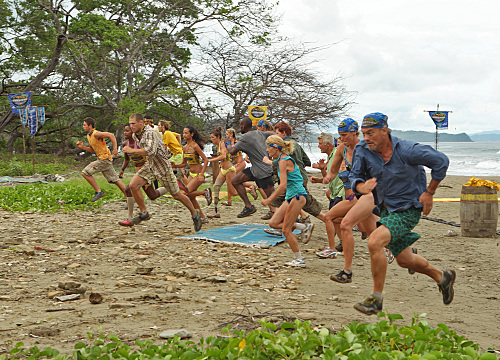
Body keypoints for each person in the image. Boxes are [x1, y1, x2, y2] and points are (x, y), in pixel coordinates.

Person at [350, 112, 455, 315]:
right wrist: (362, 187)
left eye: (370, 133)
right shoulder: (363, 150)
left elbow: (441, 161)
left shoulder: (408, 150)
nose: (366, 138)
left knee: (374, 242)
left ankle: (376, 298)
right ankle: (443, 277)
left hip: (408, 209)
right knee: (405, 260)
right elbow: (355, 175)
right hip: (385, 209)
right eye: (363, 134)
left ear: (384, 130)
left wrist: (429, 192)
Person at [121, 113, 202, 231]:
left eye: (133, 124)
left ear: (141, 123)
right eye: (130, 124)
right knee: (133, 185)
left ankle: (195, 214)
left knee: (177, 195)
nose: (131, 126)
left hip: (163, 167)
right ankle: (144, 212)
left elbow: (150, 151)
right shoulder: (135, 135)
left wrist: (131, 150)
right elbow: (145, 154)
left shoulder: (150, 132)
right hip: (150, 166)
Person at [261, 135, 314, 267]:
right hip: (290, 197)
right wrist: (267, 162)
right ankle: (303, 226)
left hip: (297, 196)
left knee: (286, 230)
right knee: (273, 223)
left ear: (276, 148)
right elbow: (276, 164)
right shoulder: (280, 160)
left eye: (268, 147)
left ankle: (299, 259)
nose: (267, 150)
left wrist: (269, 199)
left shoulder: (284, 161)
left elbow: (283, 185)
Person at [118, 124, 169, 226]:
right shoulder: (125, 144)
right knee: (152, 195)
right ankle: (170, 186)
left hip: (146, 171)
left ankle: (130, 218)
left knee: (129, 189)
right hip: (138, 172)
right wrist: (122, 170)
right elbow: (127, 159)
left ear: (133, 132)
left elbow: (149, 154)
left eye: (127, 131)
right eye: (124, 131)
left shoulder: (140, 143)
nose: (125, 133)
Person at [227, 117, 275, 218]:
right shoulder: (260, 133)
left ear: (243, 126)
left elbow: (232, 152)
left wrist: (227, 143)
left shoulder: (245, 137)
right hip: (255, 169)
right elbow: (273, 134)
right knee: (235, 181)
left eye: (240, 125)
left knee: (274, 198)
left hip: (263, 171)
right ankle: (249, 206)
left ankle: (295, 215)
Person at [310, 132, 345, 258]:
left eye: (320, 144)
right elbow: (329, 178)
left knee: (331, 218)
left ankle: (332, 248)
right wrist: (321, 170)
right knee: (335, 221)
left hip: (342, 191)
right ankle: (342, 243)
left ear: (327, 144)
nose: (319, 146)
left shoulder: (337, 153)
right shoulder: (330, 156)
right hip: (335, 192)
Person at [76, 117, 127, 202]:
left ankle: (98, 191)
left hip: (104, 160)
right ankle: (130, 197)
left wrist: (114, 149)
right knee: (115, 180)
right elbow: (92, 150)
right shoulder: (89, 136)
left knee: (85, 173)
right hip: (105, 160)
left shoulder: (96, 134)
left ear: (90, 125)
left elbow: (111, 135)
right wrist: (83, 147)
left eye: (84, 125)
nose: (83, 127)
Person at [171, 125, 212, 222]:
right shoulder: (184, 148)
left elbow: (206, 160)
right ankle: (203, 217)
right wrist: (175, 165)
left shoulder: (195, 146)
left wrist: (202, 174)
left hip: (198, 174)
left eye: (186, 133)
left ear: (192, 134)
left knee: (185, 193)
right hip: (191, 175)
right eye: (183, 133)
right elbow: (184, 164)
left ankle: (205, 192)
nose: (184, 135)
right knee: (191, 197)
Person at [207, 127, 238, 218]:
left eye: (213, 137)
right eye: (211, 137)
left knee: (233, 192)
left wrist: (212, 160)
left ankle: (249, 190)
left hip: (229, 169)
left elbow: (223, 156)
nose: (211, 139)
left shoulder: (222, 144)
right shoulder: (217, 146)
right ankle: (216, 210)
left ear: (218, 137)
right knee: (216, 186)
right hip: (223, 169)